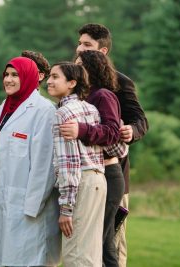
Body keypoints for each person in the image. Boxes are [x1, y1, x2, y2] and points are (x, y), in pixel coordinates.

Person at [61, 23, 149, 267]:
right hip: (83, 175)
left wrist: (132, 130)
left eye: (87, 45)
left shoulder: (120, 83)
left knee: (111, 239)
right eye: (79, 43)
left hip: (113, 171)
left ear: (103, 51)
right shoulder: (74, 81)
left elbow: (141, 120)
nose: (80, 48)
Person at [0, 57, 62, 267]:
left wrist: (31, 206)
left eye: (15, 75)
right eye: (6, 75)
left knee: (27, 260)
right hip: (2, 200)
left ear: (28, 77)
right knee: (1, 260)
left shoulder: (44, 110)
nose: (8, 80)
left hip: (29, 207)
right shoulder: (3, 108)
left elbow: (44, 167)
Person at [47, 61, 107, 267]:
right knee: (90, 253)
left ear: (72, 83)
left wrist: (66, 209)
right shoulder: (91, 108)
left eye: (55, 77)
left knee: (75, 256)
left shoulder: (63, 114)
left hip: (81, 182)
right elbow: (115, 146)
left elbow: (69, 165)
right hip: (99, 180)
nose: (49, 81)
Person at [76, 50, 128, 266]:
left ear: (92, 69)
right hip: (90, 173)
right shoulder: (83, 96)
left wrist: (81, 130)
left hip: (108, 174)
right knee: (92, 239)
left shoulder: (103, 95)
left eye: (80, 65)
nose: (76, 69)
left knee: (103, 240)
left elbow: (112, 133)